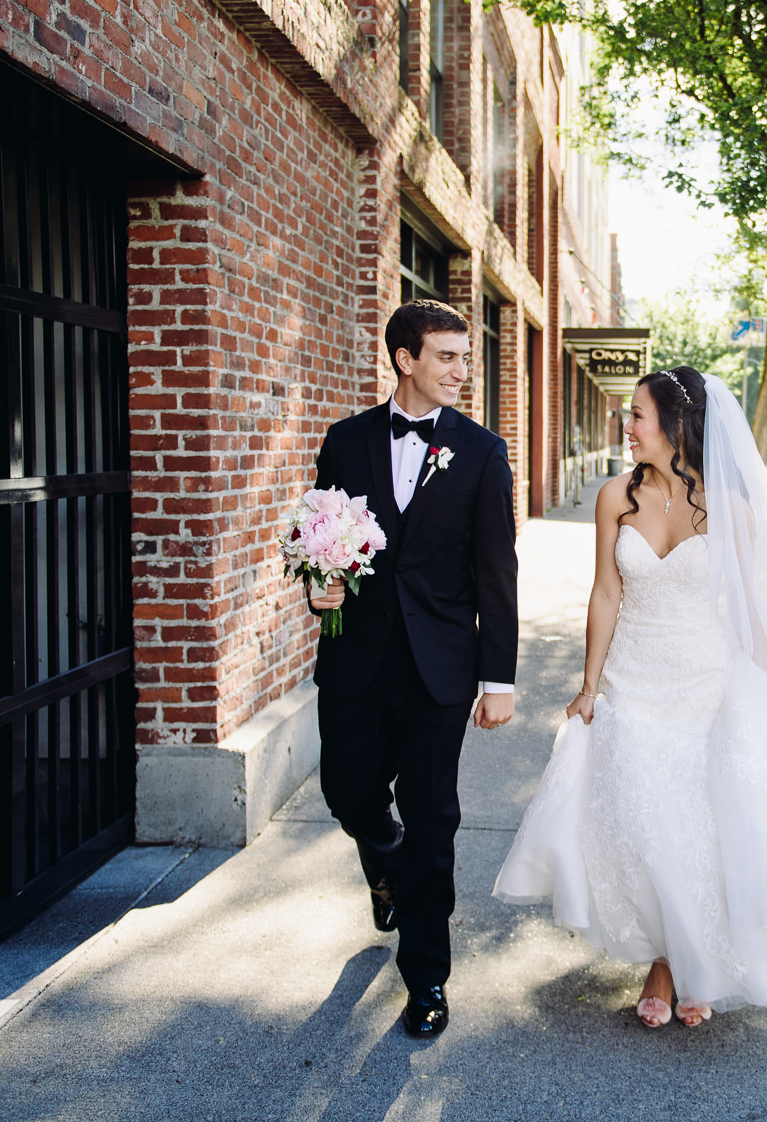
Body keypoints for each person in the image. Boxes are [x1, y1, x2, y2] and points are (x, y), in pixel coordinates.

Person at [494, 366, 767, 1027]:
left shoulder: (730, 507)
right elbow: (606, 593)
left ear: (676, 425)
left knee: (701, 826)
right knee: (644, 826)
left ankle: (688, 966)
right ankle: (663, 957)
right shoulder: (614, 497)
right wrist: (589, 682)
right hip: (633, 678)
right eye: (627, 415)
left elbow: (756, 607)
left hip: (707, 682)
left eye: (637, 415)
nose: (625, 427)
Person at [307, 299, 519, 1039]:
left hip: (441, 671)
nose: (464, 370)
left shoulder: (485, 454)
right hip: (355, 660)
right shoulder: (345, 442)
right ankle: (384, 860)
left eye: (466, 356)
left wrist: (499, 681)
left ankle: (427, 978)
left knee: (434, 822)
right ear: (406, 359)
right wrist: (317, 586)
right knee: (347, 791)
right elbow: (317, 537)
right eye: (449, 357)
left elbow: (497, 575)